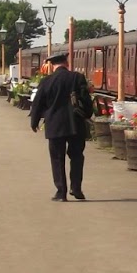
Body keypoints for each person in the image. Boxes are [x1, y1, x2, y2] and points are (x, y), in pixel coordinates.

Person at [28, 52, 93, 201]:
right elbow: (86, 99)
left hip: (54, 125)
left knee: (57, 158)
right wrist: (87, 115)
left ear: (52, 65)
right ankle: (76, 188)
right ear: (67, 63)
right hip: (75, 124)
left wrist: (34, 121)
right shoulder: (77, 77)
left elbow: (38, 103)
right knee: (77, 156)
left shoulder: (47, 81)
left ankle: (61, 192)